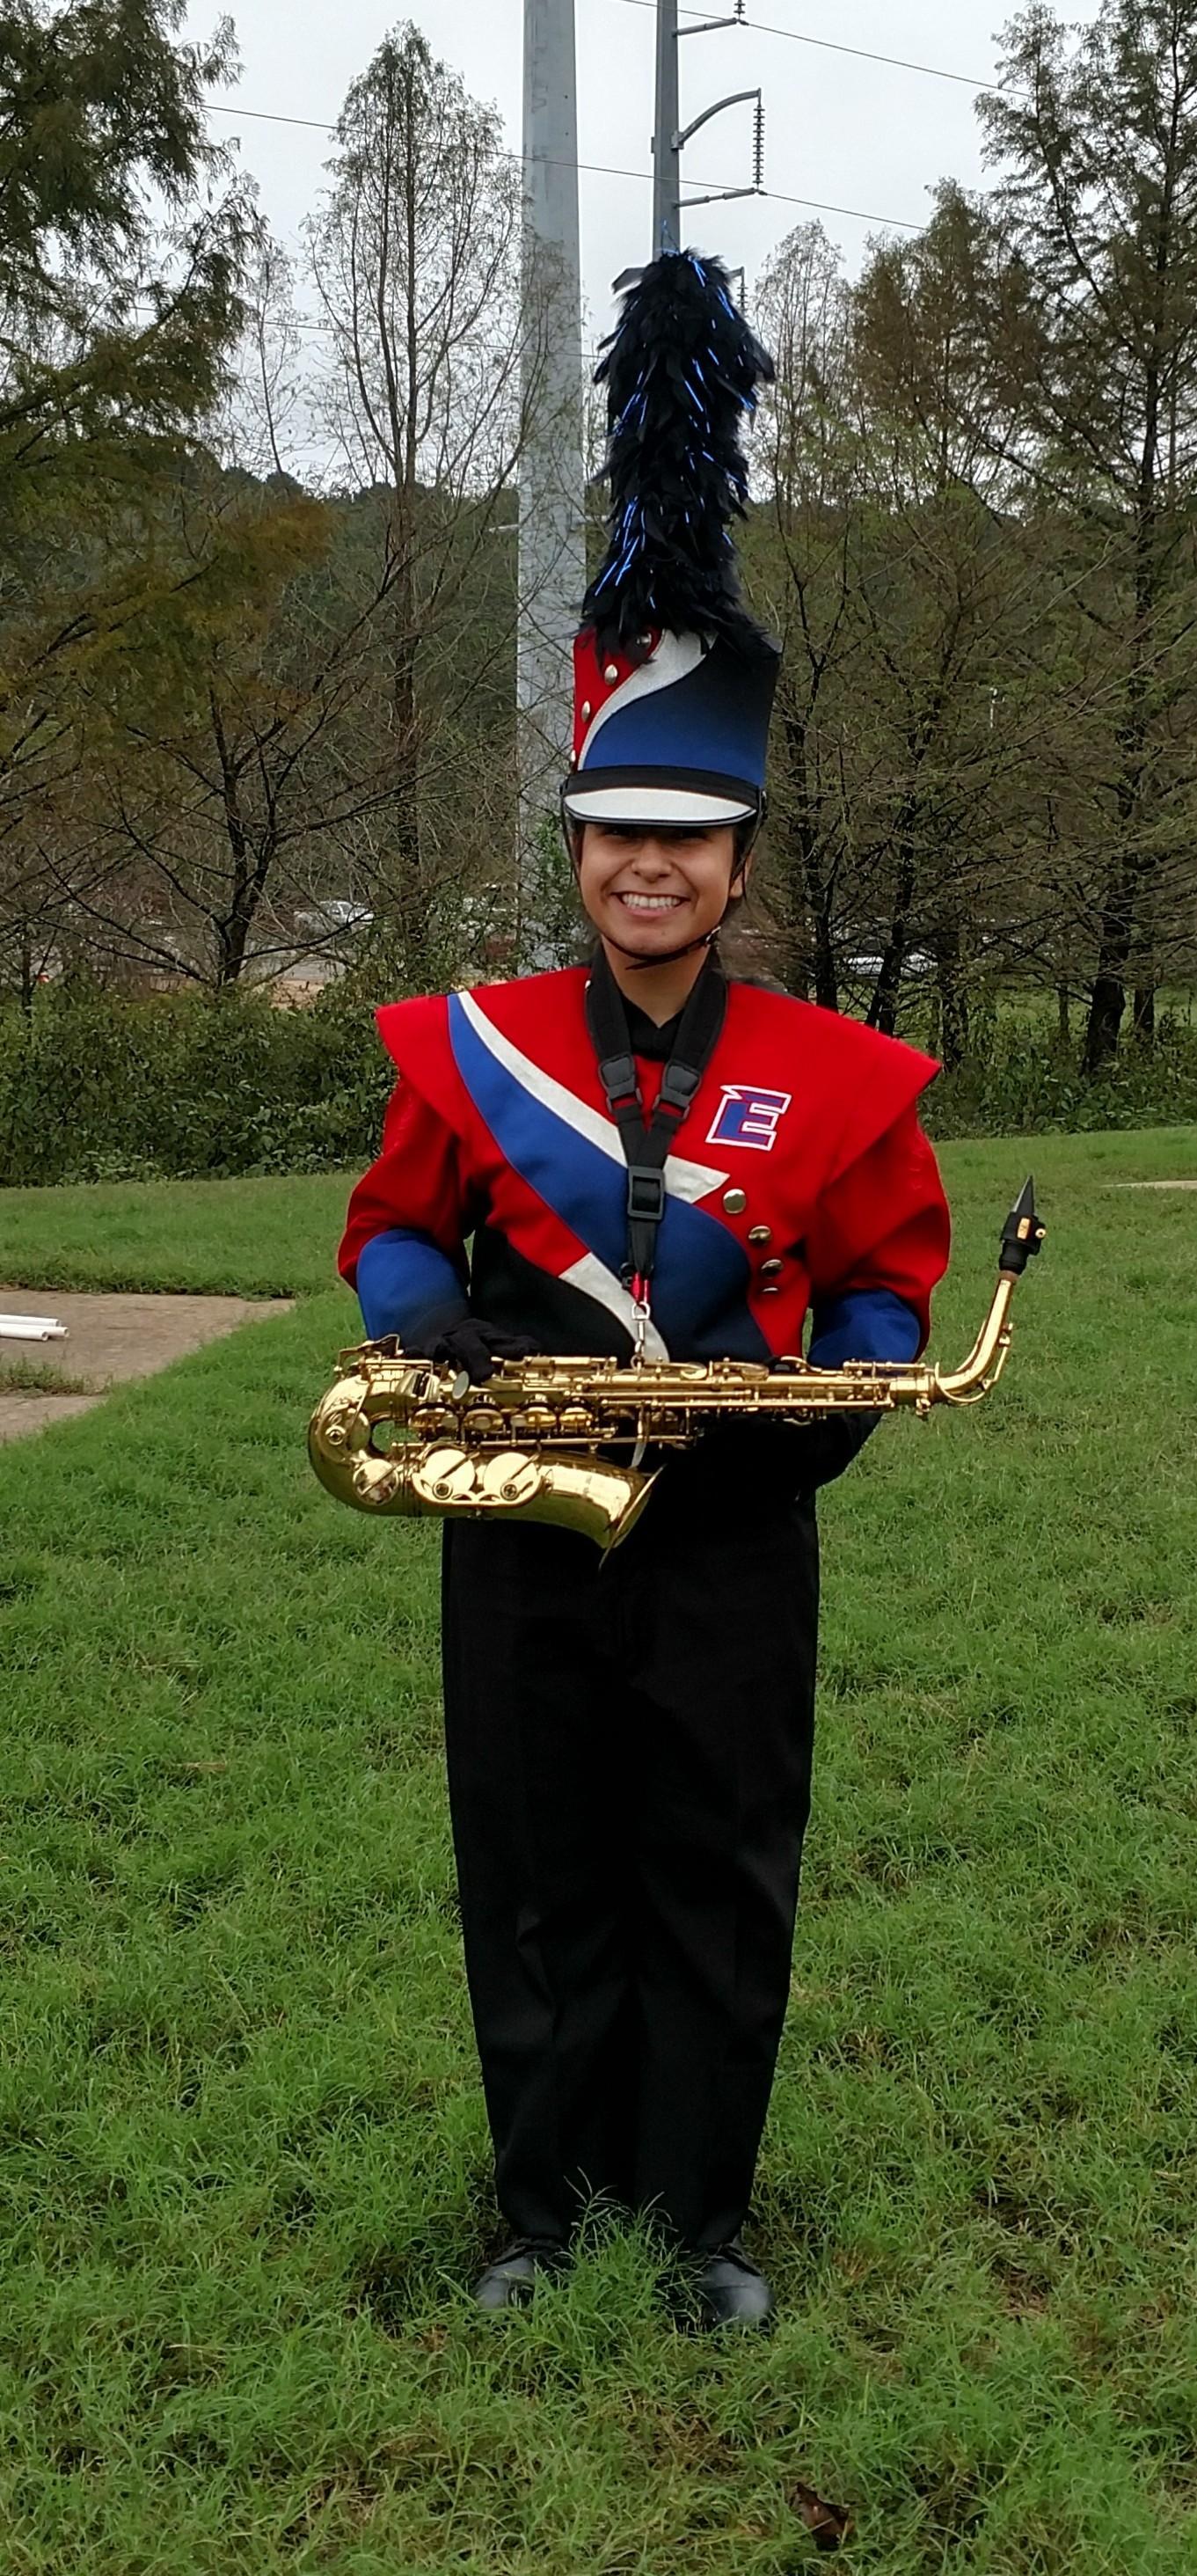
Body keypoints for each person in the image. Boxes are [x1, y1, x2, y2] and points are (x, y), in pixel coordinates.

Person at [339, 251, 951, 2326]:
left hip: (732, 1528)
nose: (651, 872)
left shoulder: (842, 1079)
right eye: (618, 839)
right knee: (530, 1866)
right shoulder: (474, 1038)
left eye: (689, 842)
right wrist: (417, 1316)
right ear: (577, 854)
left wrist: (849, 1391)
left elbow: (885, 1279)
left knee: (715, 1869)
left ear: (742, 864)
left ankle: (699, 2218)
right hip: (519, 1505)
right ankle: (538, 2212)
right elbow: (393, 1218)